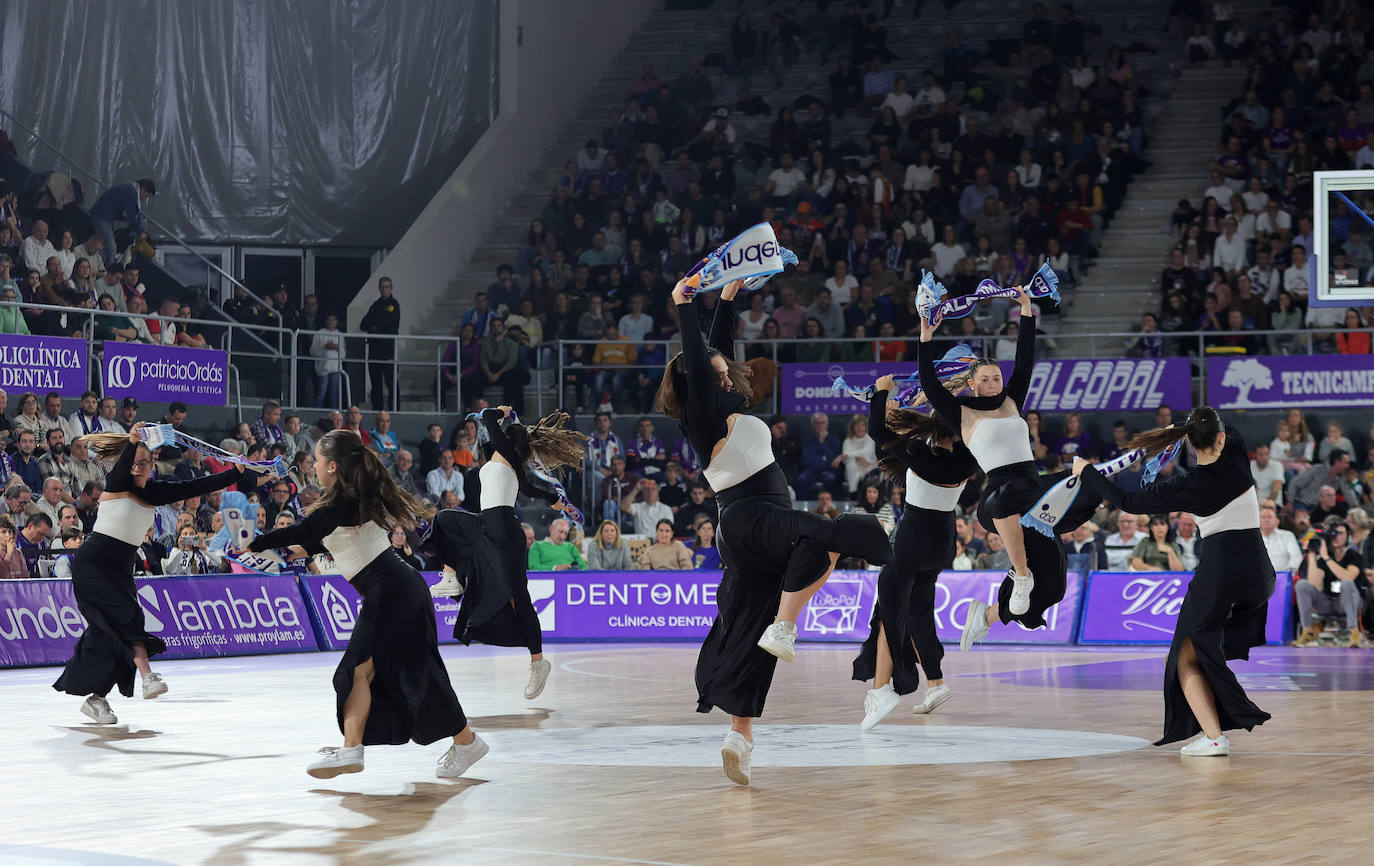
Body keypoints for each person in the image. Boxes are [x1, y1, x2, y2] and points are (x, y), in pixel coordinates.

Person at [656, 278, 890, 785]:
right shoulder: (701, 413)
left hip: (750, 530)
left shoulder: (725, 401)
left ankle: (739, 736)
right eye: (715, 374)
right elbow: (700, 358)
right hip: (753, 516)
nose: (725, 378)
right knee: (841, 534)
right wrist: (685, 306)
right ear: (696, 381)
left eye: (726, 373)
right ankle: (791, 622)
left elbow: (719, 354)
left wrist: (727, 300)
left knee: (754, 636)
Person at [244, 429, 485, 779]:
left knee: (361, 669)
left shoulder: (344, 501)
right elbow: (321, 540)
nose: (312, 464)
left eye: (317, 460)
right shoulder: (349, 501)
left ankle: (352, 750)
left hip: (393, 591)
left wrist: (257, 543)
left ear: (332, 467)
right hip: (398, 591)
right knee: (409, 673)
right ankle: (465, 742)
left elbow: (306, 529)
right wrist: (270, 551)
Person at [1073, 407, 1275, 756]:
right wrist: (1186, 427)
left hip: (1220, 573)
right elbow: (1230, 428)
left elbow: (1127, 502)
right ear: (1222, 438)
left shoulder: (1190, 485)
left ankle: (1214, 736)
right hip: (1260, 575)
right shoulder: (1238, 455)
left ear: (1191, 447)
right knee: (1205, 647)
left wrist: (1086, 471)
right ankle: (1214, 727)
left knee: (1184, 655)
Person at [917, 285, 1094, 650]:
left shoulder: (1013, 400)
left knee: (1056, 589)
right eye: (985, 379)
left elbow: (1026, 358)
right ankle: (1022, 573)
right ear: (970, 383)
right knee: (1007, 500)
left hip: (1035, 492)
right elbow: (931, 384)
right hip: (1000, 494)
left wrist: (1027, 308)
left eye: (997, 377)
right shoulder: (962, 413)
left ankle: (985, 617)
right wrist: (926, 334)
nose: (994, 382)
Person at [51, 425, 249, 726]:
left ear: (153, 464)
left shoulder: (155, 492)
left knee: (112, 636)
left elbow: (195, 488)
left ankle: (97, 699)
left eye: (146, 462)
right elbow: (122, 466)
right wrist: (132, 442)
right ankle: (147, 676)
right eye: (135, 462)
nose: (140, 467)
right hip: (92, 565)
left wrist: (235, 473)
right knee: (129, 617)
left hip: (120, 570)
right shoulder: (117, 483)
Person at [423, 408, 585, 700]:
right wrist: (553, 500)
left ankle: (538, 663)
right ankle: (451, 576)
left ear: (509, 441)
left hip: (505, 532)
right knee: (444, 520)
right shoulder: (505, 460)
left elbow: (487, 421)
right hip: (487, 523)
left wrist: (498, 412)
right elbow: (531, 487)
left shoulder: (508, 453)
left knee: (517, 597)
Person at [853, 373, 980, 730]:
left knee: (889, 611)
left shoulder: (919, 454)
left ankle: (882, 690)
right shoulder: (970, 456)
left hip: (911, 538)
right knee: (920, 611)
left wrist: (881, 395)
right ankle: (935, 682)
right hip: (943, 541)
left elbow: (877, 433)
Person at [1293, 519, 1368, 648]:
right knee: (1302, 585)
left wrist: (1326, 557)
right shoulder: (1324, 558)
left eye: (1341, 533)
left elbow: (1348, 577)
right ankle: (1308, 632)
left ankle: (1354, 633)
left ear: (1348, 536)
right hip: (1328, 602)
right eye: (1334, 533)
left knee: (1347, 584)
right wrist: (1311, 555)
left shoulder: (1354, 556)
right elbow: (1313, 583)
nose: (1337, 537)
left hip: (1349, 602)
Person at [88, 179, 156, 266]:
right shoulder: (131, 192)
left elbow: (124, 210)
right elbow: (132, 215)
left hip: (104, 217)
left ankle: (100, 269)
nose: (144, 198)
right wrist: (140, 232)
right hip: (102, 217)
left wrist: (124, 219)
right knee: (111, 248)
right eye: (146, 195)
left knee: (106, 247)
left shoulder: (129, 189)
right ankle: (107, 271)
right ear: (143, 189)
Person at [360, 276, 400, 411]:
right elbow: (363, 324)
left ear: (391, 288)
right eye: (382, 287)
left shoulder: (394, 305)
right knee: (375, 383)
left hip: (388, 350)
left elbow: (388, 325)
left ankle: (394, 410)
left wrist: (375, 325)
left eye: (387, 286)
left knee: (391, 382)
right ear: (379, 288)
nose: (384, 289)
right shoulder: (375, 305)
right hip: (374, 350)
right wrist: (376, 326)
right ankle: (377, 410)